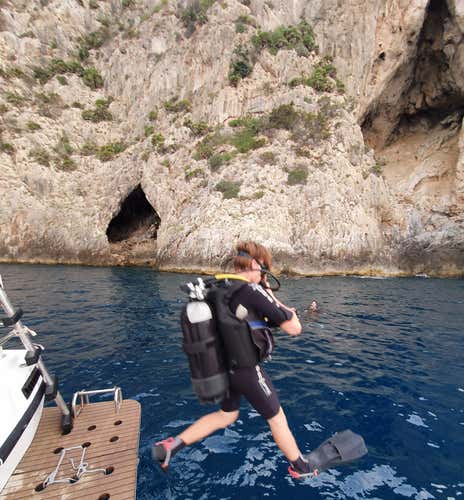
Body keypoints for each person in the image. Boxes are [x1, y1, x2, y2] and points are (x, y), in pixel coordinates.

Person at [152, 241, 316, 477]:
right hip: (246, 370)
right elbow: (293, 328)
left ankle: (171, 447)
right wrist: (272, 295)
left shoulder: (218, 287)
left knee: (227, 415)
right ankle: (301, 467)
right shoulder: (252, 290)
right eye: (264, 268)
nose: (264, 274)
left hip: (221, 367)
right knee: (277, 418)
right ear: (254, 264)